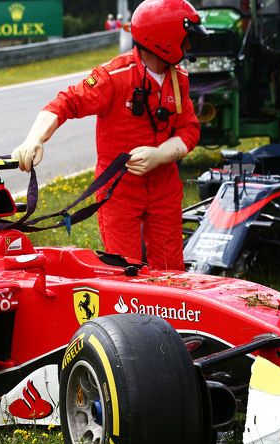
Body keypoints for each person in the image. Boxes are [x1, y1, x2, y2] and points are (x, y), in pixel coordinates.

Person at [12, 0, 206, 270]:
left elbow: (189, 129)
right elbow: (67, 102)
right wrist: (34, 139)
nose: (189, 47)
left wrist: (161, 155)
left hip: (164, 188)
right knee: (124, 271)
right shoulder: (113, 77)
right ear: (166, 39)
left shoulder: (179, 78)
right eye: (185, 39)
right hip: (119, 191)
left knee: (170, 270)